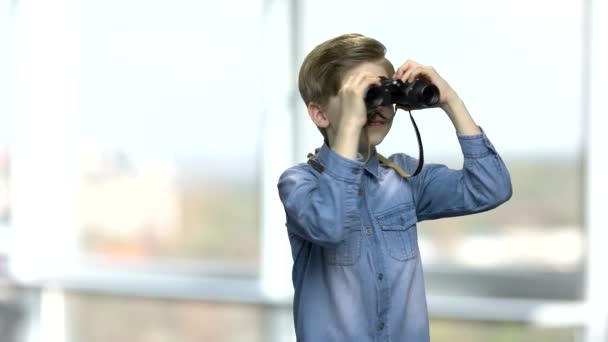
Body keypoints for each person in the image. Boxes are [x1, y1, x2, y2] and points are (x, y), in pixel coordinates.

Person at [277, 33, 512, 342]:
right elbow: (330, 225)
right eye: (362, 95)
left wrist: (451, 101)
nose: (377, 108)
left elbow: (492, 188)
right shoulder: (299, 183)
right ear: (320, 113)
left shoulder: (404, 177)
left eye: (383, 93)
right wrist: (349, 125)